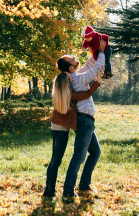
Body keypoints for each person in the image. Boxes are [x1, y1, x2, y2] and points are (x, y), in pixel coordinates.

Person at [43, 38, 107, 199]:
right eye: (71, 59)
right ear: (70, 69)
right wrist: (101, 53)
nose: (74, 57)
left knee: (94, 152)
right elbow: (94, 71)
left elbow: (88, 67)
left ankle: (82, 185)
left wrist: (95, 51)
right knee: (77, 157)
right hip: (83, 121)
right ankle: (67, 190)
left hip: (86, 121)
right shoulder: (76, 79)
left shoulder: (75, 77)